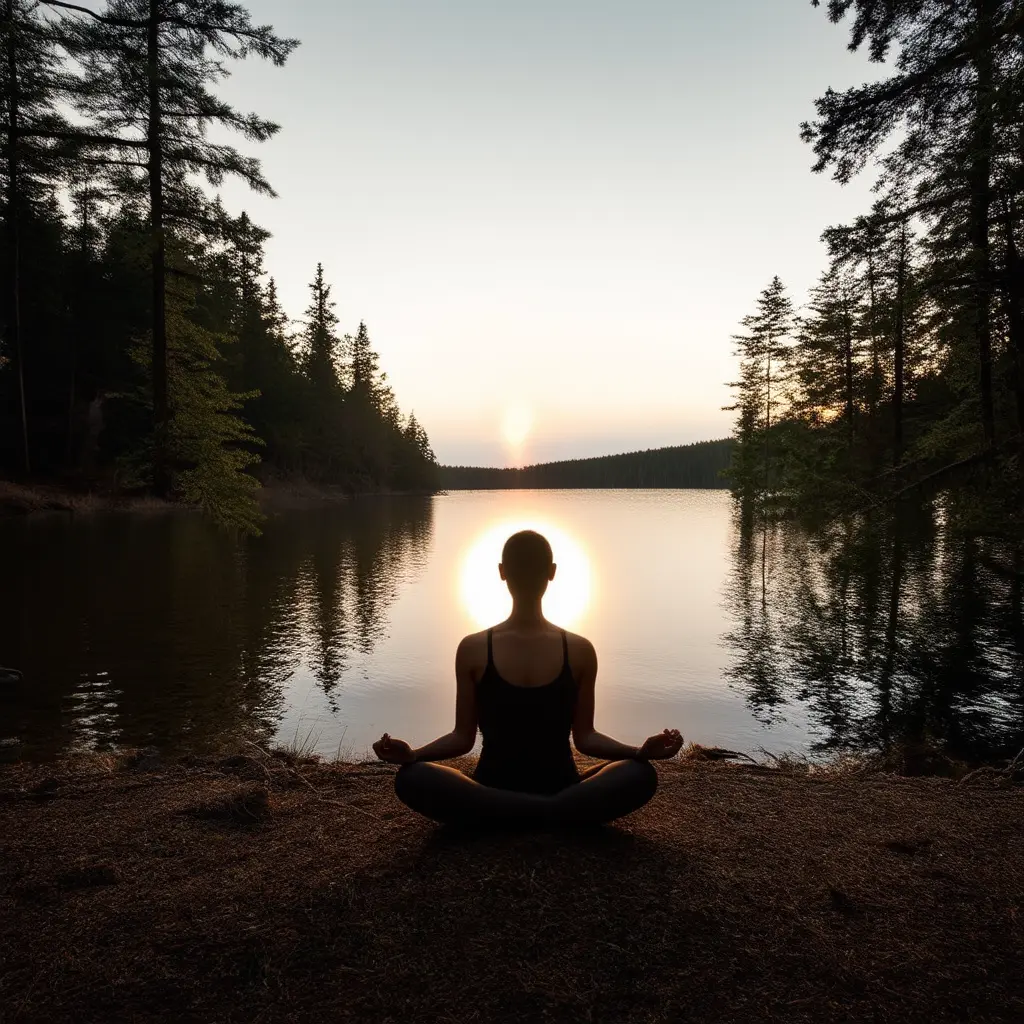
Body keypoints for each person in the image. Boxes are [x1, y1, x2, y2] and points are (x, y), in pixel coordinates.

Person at [373, 529, 683, 828]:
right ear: (552, 571)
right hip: (563, 791)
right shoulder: (580, 650)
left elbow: (461, 738)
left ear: (501, 571)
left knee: (412, 778)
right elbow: (585, 738)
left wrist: (414, 755)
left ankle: (510, 814)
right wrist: (639, 753)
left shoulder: (473, 648)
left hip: (489, 795)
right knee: (640, 774)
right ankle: (551, 813)